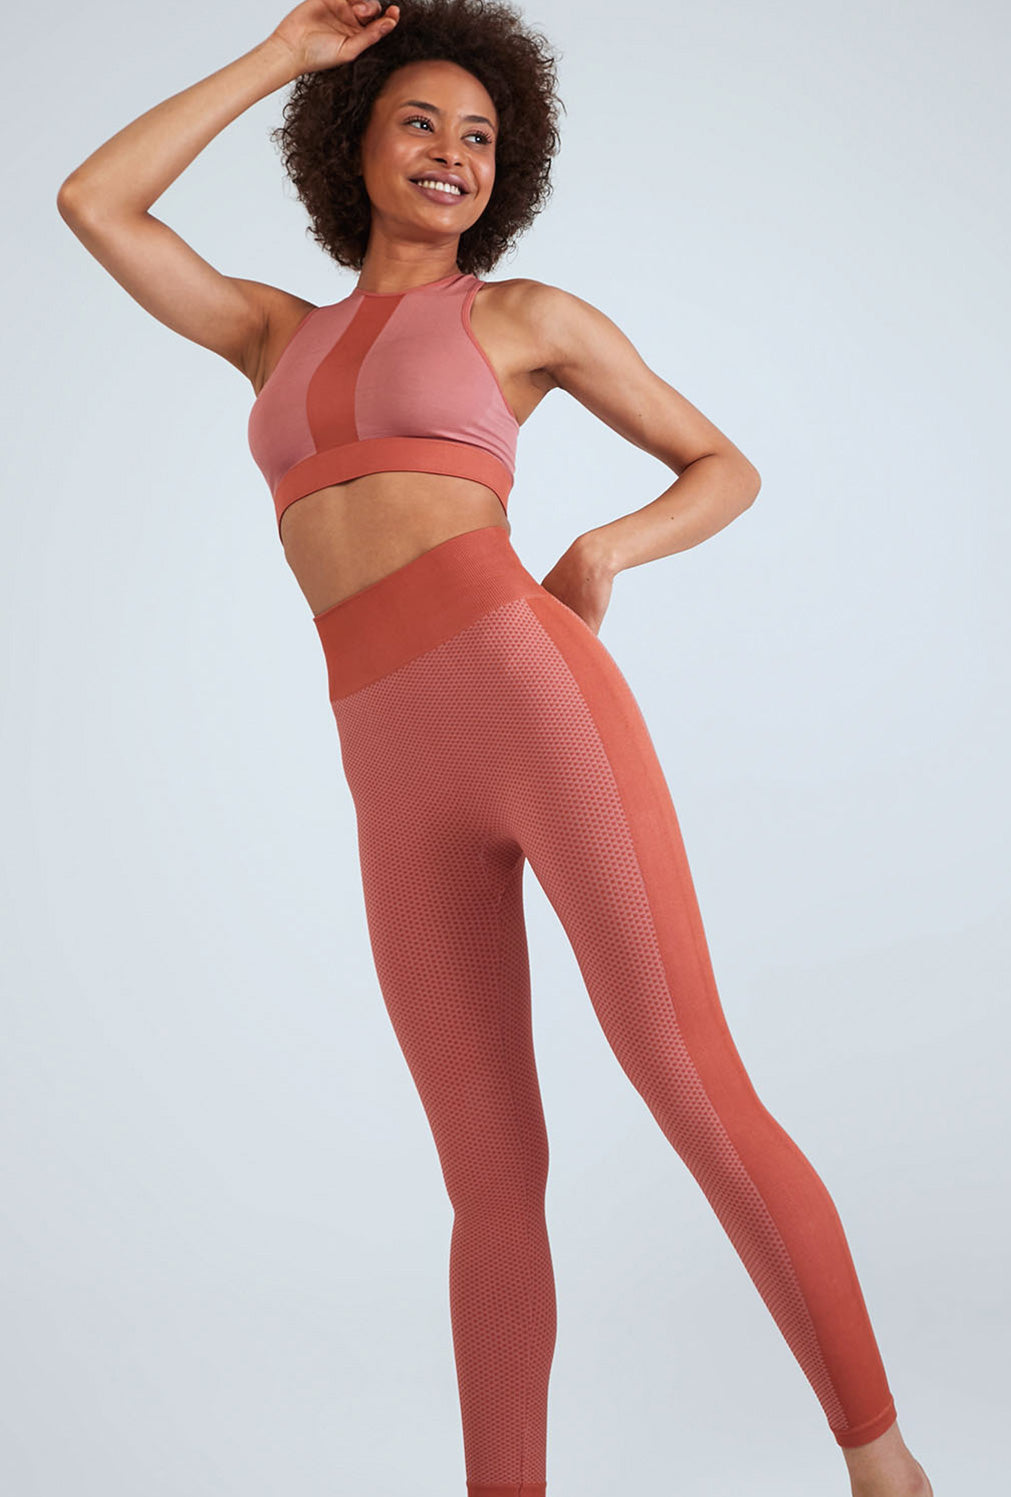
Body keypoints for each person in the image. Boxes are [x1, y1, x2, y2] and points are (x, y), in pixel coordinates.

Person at [57, 2, 933, 1494]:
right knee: (488, 1180)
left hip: (534, 701)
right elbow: (95, 201)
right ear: (355, 142)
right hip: (390, 767)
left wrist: (605, 549)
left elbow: (723, 465)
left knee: (687, 1077)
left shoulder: (523, 318)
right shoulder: (274, 333)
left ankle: (885, 1466)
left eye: (480, 135)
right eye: (420, 121)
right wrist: (283, 55)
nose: (452, 152)